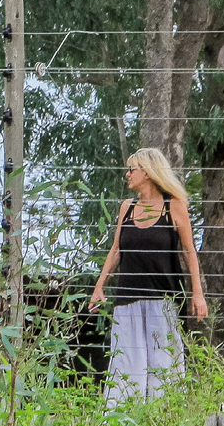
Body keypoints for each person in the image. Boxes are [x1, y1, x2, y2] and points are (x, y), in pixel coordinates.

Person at [87, 148, 209, 406]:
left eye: (133, 169)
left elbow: (189, 253)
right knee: (125, 366)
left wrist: (197, 293)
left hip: (162, 301)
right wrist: (100, 285)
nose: (127, 175)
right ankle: (120, 425)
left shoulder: (173, 206)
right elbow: (117, 249)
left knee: (163, 366)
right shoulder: (126, 208)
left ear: (149, 172)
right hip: (127, 302)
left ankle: (164, 424)